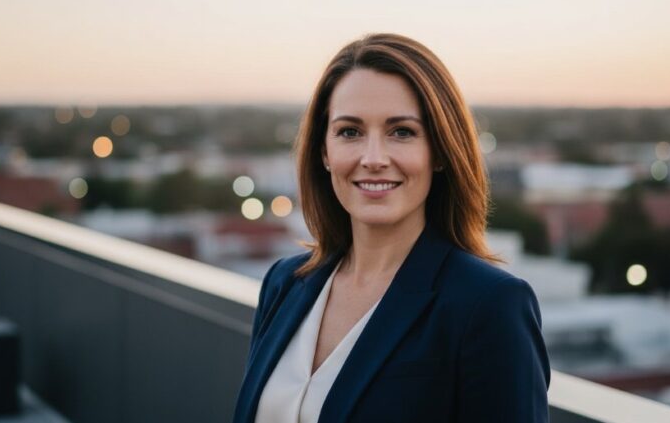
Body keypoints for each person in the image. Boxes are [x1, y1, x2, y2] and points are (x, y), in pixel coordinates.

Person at [233, 33, 550, 423]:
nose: (373, 158)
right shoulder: (284, 283)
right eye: (350, 132)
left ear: (439, 151)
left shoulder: (489, 305)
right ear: (324, 151)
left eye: (401, 132)